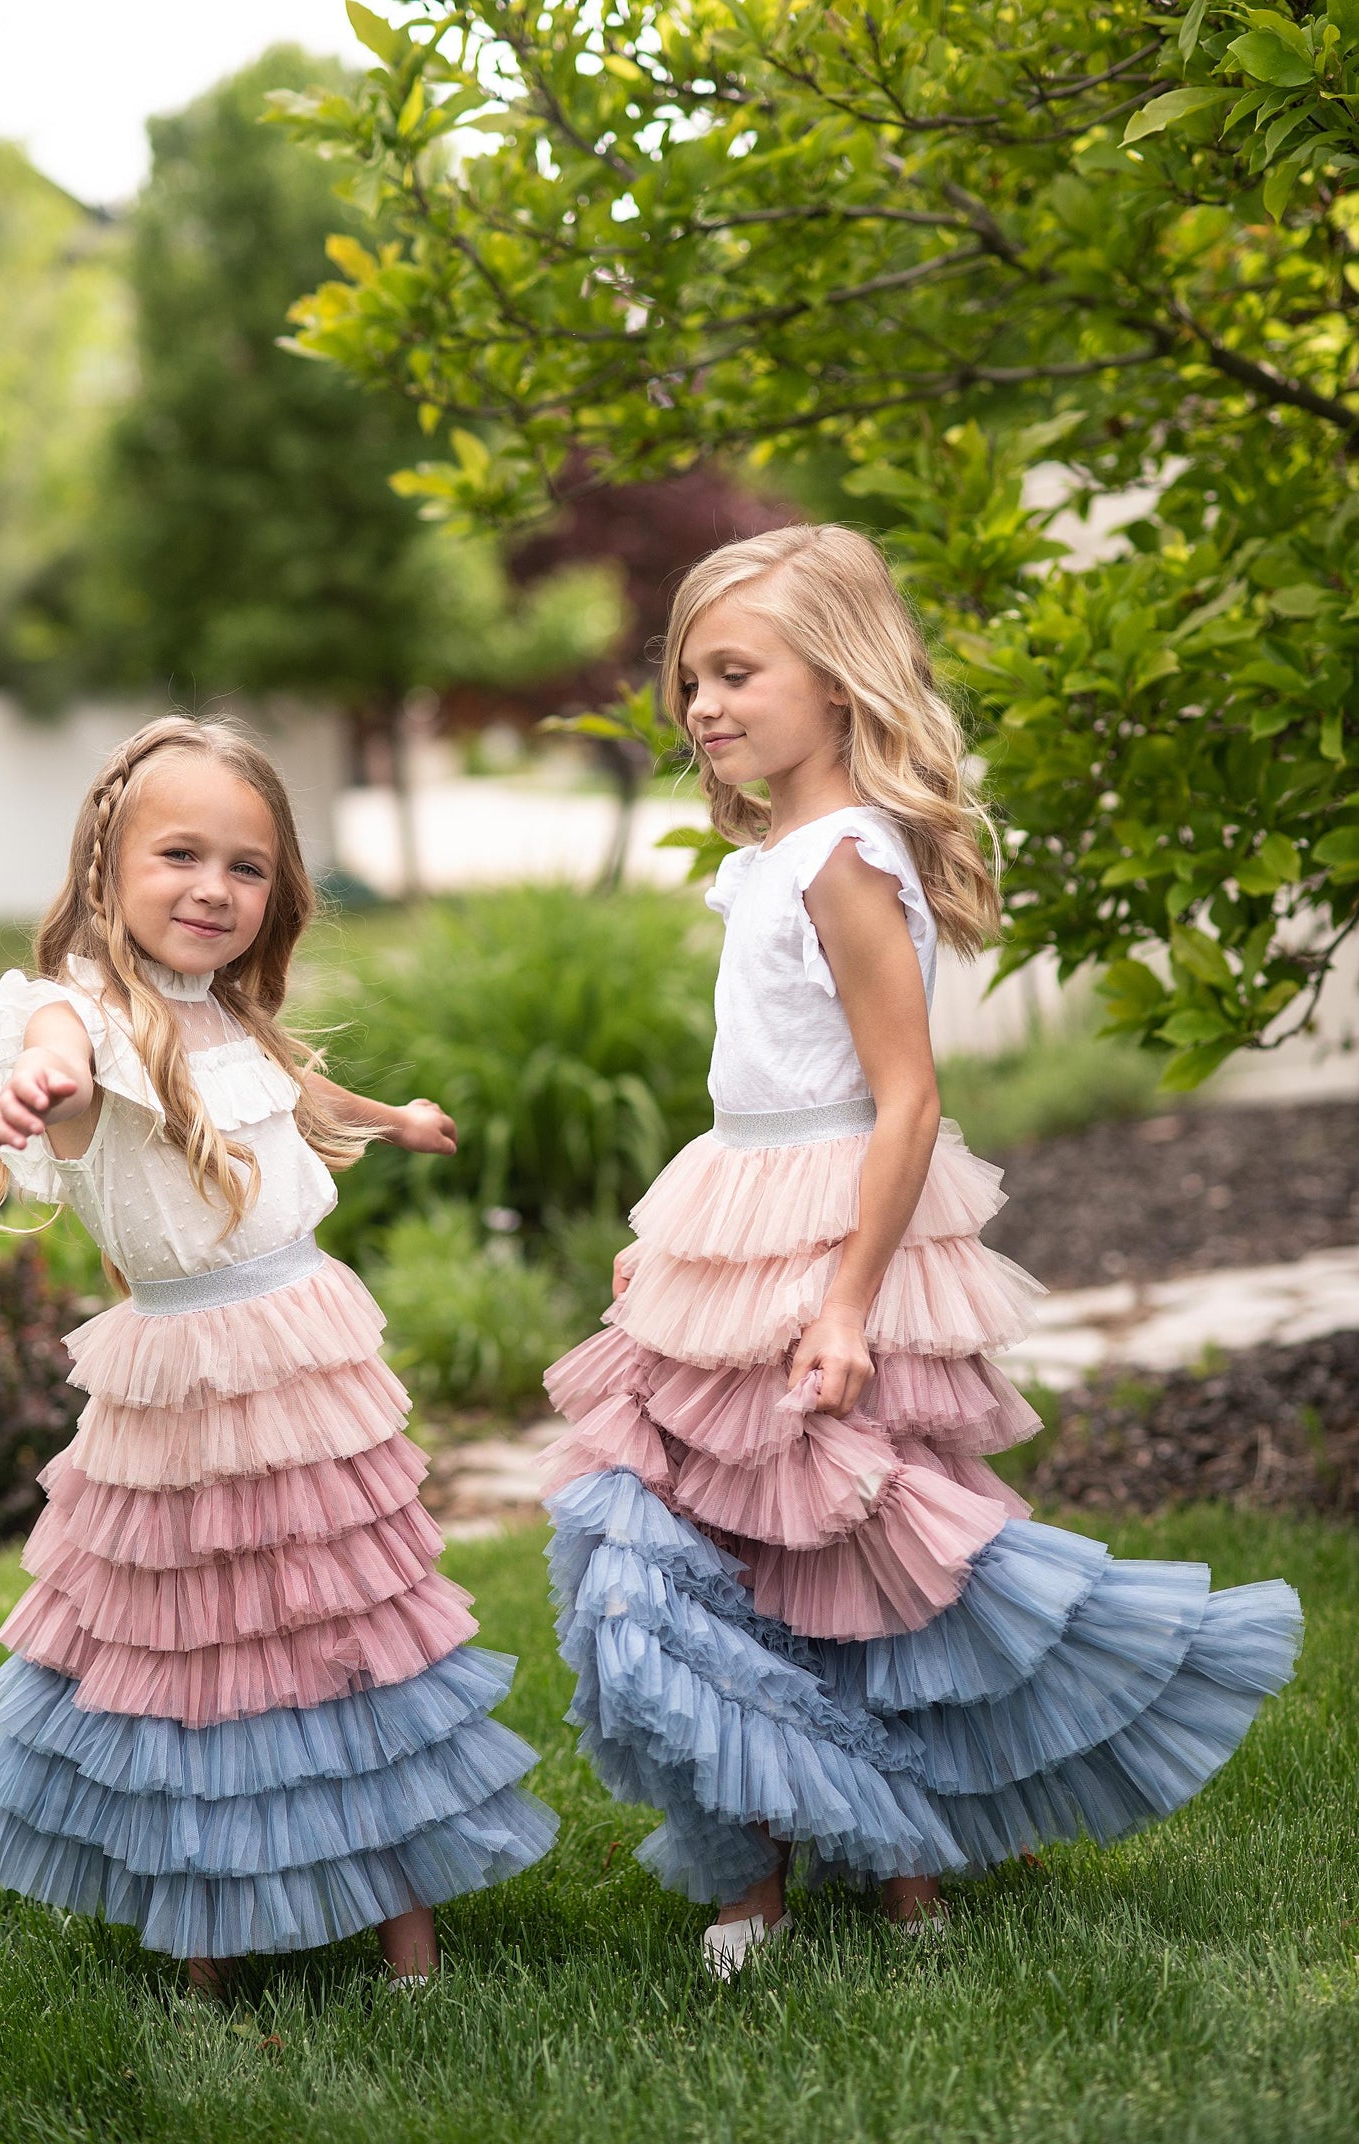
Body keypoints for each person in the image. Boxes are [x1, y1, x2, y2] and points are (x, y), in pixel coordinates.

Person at [536, 526, 1302, 1979]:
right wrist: (671, 1240)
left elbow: (905, 1096)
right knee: (728, 1541)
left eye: (735, 671)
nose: (699, 704)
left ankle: (902, 1857)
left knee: (860, 1550)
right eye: (689, 677)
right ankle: (760, 1856)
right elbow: (754, 1085)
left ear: (837, 680)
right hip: (743, 1205)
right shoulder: (771, 855)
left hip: (841, 1227)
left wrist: (842, 1302)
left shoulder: (842, 860)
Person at [0, 716, 556, 1996]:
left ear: (279, 891)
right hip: (190, 1365)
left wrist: (397, 1115)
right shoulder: (74, 1008)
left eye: (247, 867)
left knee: (347, 1614)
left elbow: (295, 1093)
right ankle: (213, 1950)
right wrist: (33, 1090)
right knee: (203, 1636)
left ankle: (405, 1936)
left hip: (303, 1336)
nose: (214, 887)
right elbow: (62, 1067)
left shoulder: (225, 1014)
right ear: (107, 870)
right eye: (180, 855)